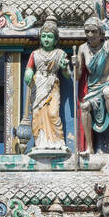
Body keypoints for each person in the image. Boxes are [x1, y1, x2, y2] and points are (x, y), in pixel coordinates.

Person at [77, 16, 109, 152]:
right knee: (84, 106)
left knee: (107, 92)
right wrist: (75, 65)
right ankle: (89, 147)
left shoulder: (108, 46)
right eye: (87, 31)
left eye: (93, 31)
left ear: (100, 32)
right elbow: (77, 77)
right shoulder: (82, 49)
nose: (90, 35)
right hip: (93, 88)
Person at [24, 18, 70, 153]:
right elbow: (29, 68)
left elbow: (67, 74)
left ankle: (58, 141)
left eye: (50, 37)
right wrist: (28, 73)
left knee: (53, 113)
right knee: (37, 113)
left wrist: (65, 68)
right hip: (38, 84)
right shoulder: (35, 54)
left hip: (52, 83)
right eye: (43, 36)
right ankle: (40, 141)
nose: (46, 39)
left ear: (55, 40)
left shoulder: (60, 54)